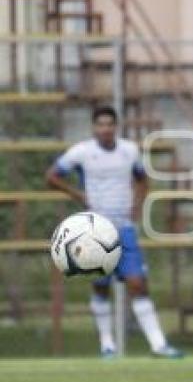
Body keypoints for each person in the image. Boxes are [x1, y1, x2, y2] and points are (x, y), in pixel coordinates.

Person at [46, 105, 183, 359]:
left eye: (110, 124)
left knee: (138, 285)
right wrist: (78, 195)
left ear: (115, 127)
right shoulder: (82, 152)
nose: (105, 128)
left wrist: (137, 205)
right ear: (94, 127)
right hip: (94, 232)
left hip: (124, 229)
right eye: (101, 124)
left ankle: (158, 345)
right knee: (101, 287)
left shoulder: (129, 150)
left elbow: (142, 179)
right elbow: (52, 176)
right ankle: (107, 345)